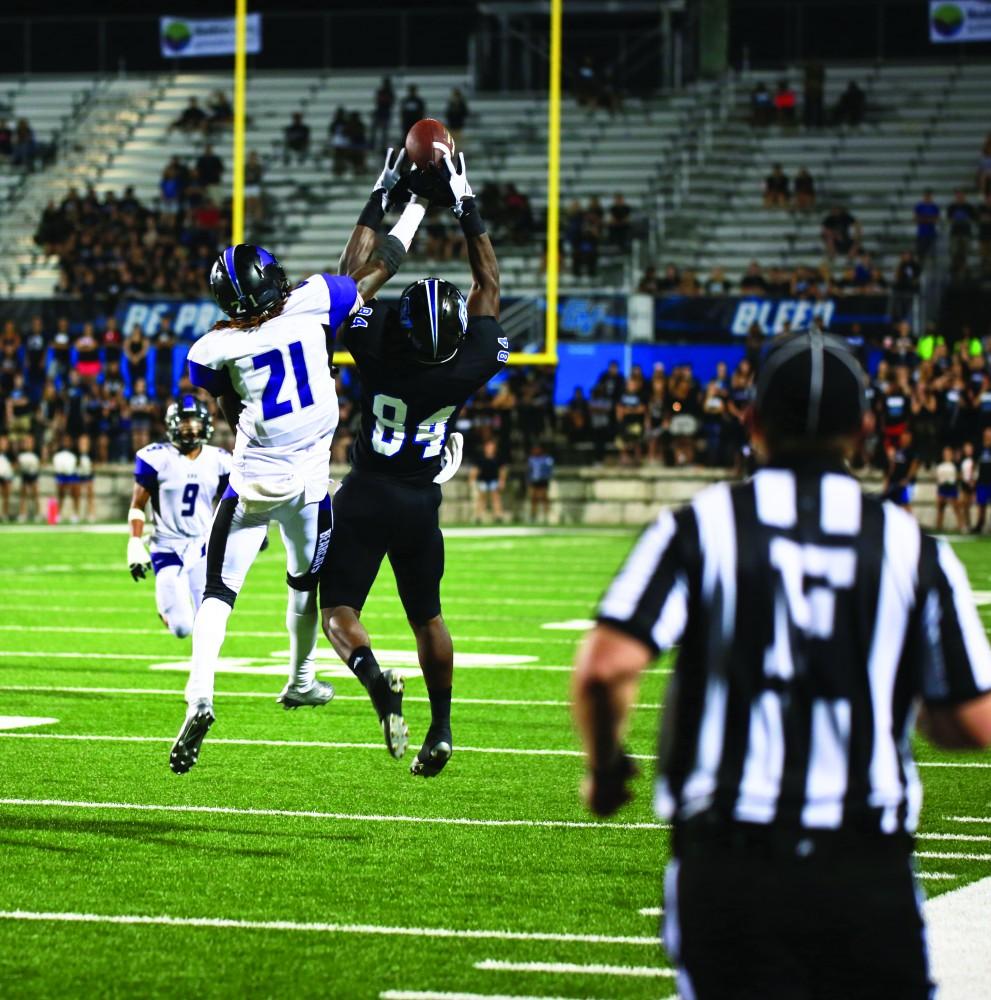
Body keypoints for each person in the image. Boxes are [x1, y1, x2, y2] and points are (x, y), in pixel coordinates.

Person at [572, 330, 991, 1000]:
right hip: (863, 860)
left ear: (751, 421)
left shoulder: (700, 526)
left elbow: (604, 668)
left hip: (730, 861)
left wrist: (604, 771)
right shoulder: (914, 550)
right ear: (860, 431)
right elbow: (971, 721)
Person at [170, 177, 427, 774]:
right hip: (310, 484)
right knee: (304, 585)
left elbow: (225, 406)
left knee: (218, 596)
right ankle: (302, 677)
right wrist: (407, 203)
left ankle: (200, 699)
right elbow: (376, 266)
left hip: (253, 481)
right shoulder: (312, 300)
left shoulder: (210, 349)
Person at [319, 149, 508, 778]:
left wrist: (389, 193)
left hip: (367, 490)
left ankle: (374, 676)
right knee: (427, 615)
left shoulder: (376, 345)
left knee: (338, 608)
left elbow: (353, 273)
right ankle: (444, 725)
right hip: (421, 502)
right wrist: (466, 201)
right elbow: (488, 284)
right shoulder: (473, 362)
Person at [127, 397, 231, 640]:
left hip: (203, 546)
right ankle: (166, 610)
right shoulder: (155, 457)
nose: (190, 429)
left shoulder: (219, 459)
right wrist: (134, 542)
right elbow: (137, 505)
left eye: (195, 423)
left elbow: (232, 502)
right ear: (172, 425)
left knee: (209, 623)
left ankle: (203, 674)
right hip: (167, 546)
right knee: (183, 628)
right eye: (185, 424)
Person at [469, 438, 507, 523]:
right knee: (482, 498)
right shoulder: (481, 457)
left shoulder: (498, 457)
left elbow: (502, 470)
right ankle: (478, 516)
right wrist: (472, 479)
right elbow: (476, 469)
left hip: (494, 480)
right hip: (483, 480)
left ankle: (498, 516)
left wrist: (502, 481)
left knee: (496, 498)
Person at [934, 445, 964, 533]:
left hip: (951, 487)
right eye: (945, 453)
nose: (946, 455)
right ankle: (939, 526)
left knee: (956, 507)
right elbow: (938, 477)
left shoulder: (955, 465)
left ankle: (961, 525)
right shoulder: (940, 465)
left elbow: (958, 476)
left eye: (948, 453)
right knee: (940, 507)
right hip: (942, 487)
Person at [527, 441, 554, 522]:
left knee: (544, 497)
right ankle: (533, 515)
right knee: (534, 497)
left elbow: (549, 470)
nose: (535, 451)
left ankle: (546, 515)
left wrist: (546, 477)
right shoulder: (531, 459)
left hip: (543, 480)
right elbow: (529, 470)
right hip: (534, 480)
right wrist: (529, 479)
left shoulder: (546, 459)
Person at [973, 427, 991, 535]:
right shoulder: (979, 448)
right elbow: (974, 463)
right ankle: (980, 524)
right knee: (981, 504)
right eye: (987, 435)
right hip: (982, 480)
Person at [914, 189, 940, 260]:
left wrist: (924, 219)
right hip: (922, 233)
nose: (927, 197)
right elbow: (916, 219)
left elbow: (936, 219)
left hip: (931, 233)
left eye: (929, 196)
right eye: (926, 196)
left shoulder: (934, 207)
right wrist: (928, 219)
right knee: (921, 253)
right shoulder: (919, 206)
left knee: (932, 254)